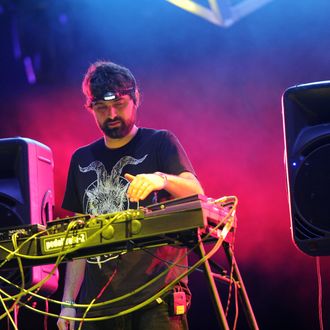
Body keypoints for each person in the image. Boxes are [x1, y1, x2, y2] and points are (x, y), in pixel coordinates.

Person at [57, 61, 204, 330]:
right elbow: (77, 241)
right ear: (91, 109)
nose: (111, 114)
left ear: (136, 99)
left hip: (156, 298)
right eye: (101, 108)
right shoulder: (81, 159)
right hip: (98, 306)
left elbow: (196, 191)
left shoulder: (160, 142)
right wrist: (68, 301)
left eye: (120, 104)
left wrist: (160, 179)